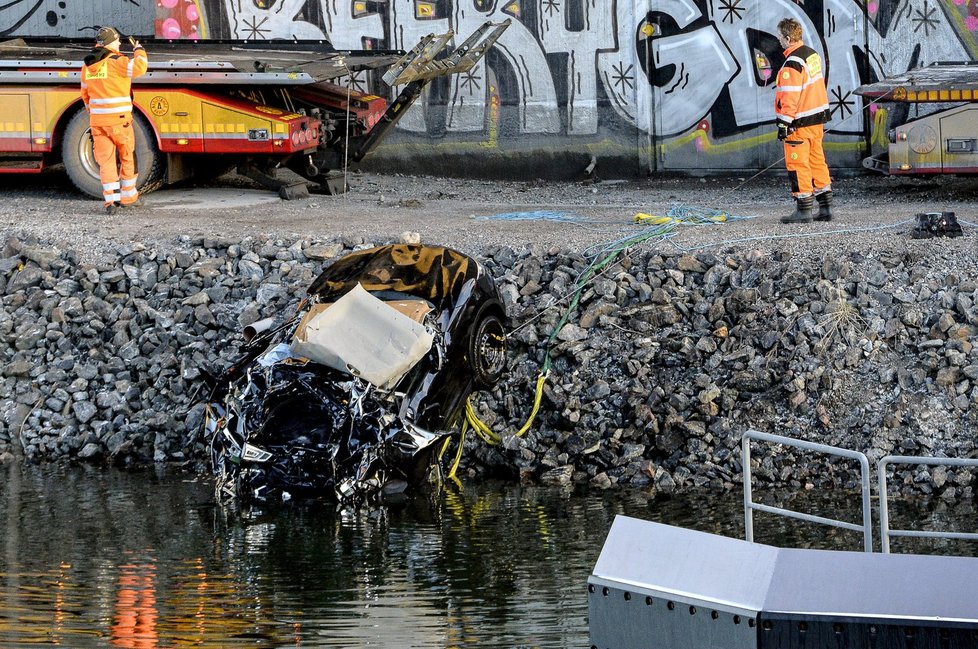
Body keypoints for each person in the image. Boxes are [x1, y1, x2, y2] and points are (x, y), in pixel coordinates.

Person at [80, 26, 148, 214]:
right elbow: (140, 67)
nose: (119, 43)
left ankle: (110, 201)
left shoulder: (87, 65)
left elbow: (85, 94)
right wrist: (139, 49)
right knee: (127, 156)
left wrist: (94, 114)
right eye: (117, 40)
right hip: (120, 122)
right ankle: (128, 197)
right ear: (110, 42)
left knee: (106, 161)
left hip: (98, 122)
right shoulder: (118, 62)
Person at [775, 18, 833, 223]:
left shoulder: (792, 63)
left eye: (780, 36)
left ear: (788, 38)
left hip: (799, 122)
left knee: (798, 163)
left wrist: (783, 124)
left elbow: (789, 97)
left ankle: (804, 210)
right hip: (816, 118)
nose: (779, 40)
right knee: (817, 161)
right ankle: (826, 208)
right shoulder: (811, 55)